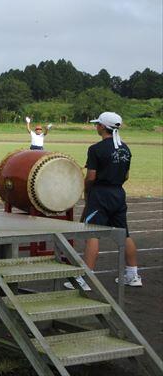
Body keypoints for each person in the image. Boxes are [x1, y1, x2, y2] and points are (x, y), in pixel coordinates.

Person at [67, 112, 141, 291]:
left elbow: (91, 177)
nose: (96, 126)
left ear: (102, 127)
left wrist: (86, 189)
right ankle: (133, 275)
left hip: (100, 194)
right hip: (118, 193)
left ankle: (84, 279)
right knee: (124, 234)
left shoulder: (96, 149)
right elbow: (126, 176)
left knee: (92, 233)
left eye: (97, 124)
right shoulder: (125, 148)